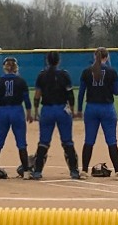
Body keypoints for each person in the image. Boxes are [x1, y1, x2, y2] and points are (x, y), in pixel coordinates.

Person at [29, 51, 80, 181]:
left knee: (44, 142)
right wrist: (72, 111)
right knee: (67, 141)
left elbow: (37, 96)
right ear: (58, 61)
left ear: (47, 61)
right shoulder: (64, 75)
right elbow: (70, 95)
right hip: (62, 109)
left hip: (47, 110)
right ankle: (74, 171)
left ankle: (38, 171)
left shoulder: (42, 75)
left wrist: (36, 110)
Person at [78, 46, 118, 177]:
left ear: (94, 57)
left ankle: (84, 171)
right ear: (106, 57)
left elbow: (81, 93)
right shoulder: (111, 72)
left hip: (91, 108)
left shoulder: (86, 72)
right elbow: (117, 92)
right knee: (111, 140)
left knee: (89, 140)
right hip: (107, 108)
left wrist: (79, 110)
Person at [0, 56, 32, 179]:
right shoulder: (21, 81)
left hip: (3, 111)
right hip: (17, 110)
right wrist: (29, 113)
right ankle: (26, 172)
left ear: (4, 67)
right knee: (21, 143)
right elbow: (27, 100)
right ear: (16, 67)